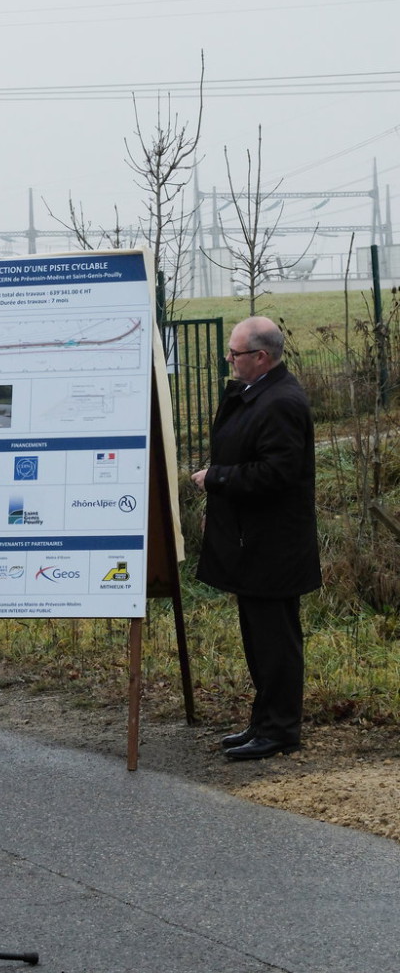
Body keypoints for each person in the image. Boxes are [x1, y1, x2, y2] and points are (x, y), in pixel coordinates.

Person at [190, 316, 321, 761]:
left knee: (276, 642)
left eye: (235, 353)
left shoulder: (280, 401)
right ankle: (262, 723)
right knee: (260, 640)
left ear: (260, 357)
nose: (229, 359)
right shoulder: (258, 394)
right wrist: (221, 509)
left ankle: (281, 730)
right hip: (252, 542)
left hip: (273, 549)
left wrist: (217, 479)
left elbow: (277, 473)